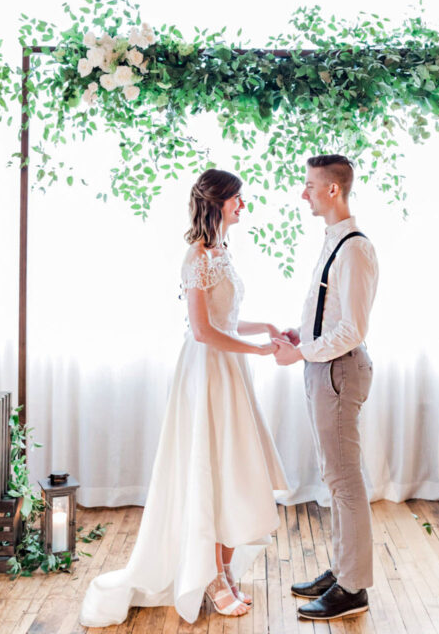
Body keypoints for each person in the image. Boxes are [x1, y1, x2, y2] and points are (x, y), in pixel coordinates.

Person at [80, 168, 288, 627]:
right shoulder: (195, 257)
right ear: (218, 202)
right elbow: (202, 330)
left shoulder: (222, 252)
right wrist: (256, 349)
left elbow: (227, 317)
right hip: (206, 373)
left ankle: (225, 570)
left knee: (234, 469)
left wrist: (265, 328)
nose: (243, 206)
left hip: (228, 371)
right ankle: (210, 579)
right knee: (211, 469)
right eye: (238, 199)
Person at [274, 154, 379, 621]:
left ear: (333, 190)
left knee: (344, 481)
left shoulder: (354, 247)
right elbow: (331, 314)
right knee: (334, 478)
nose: (304, 193)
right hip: (326, 366)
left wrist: (302, 351)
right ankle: (343, 569)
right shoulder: (335, 241)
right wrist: (305, 337)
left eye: (310, 185)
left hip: (339, 370)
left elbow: (353, 328)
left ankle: (353, 588)